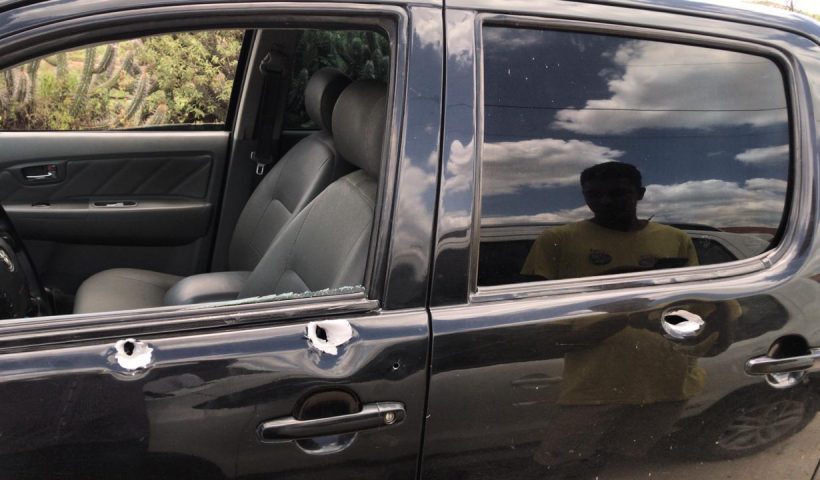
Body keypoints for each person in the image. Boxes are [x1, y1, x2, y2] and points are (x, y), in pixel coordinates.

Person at [521, 161, 698, 281]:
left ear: (640, 194)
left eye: (618, 193)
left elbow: (691, 294)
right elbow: (533, 301)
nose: (605, 201)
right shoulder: (556, 239)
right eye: (594, 194)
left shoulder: (677, 238)